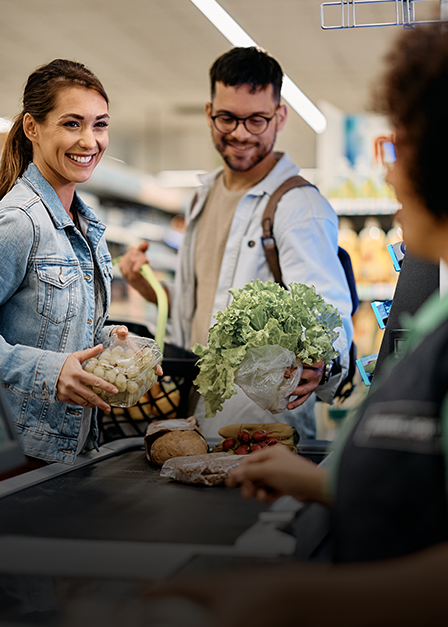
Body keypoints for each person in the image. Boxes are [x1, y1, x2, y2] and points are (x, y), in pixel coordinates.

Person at [119, 47, 354, 441]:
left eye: (256, 120)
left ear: (279, 116)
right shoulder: (203, 195)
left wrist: (322, 364)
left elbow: (329, 314)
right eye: (227, 118)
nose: (240, 133)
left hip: (261, 425)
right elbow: (208, 312)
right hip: (195, 412)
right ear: (210, 111)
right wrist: (153, 290)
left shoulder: (298, 206)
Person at [0, 59, 157, 466]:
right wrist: (51, 372)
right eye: (72, 124)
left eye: (100, 125)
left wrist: (114, 348)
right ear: (32, 127)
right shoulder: (20, 221)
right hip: (19, 457)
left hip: (72, 449)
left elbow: (48, 327)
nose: (89, 141)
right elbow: (46, 358)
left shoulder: (86, 227)